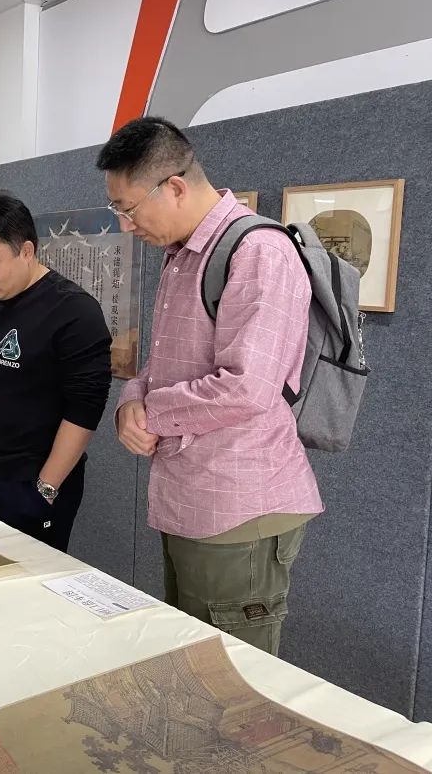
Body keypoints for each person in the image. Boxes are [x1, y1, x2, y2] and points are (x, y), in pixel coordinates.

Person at [100, 117, 322, 656]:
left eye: (129, 208)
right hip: (190, 496)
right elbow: (164, 365)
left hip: (240, 507)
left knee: (235, 672)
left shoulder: (258, 251)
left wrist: (152, 412)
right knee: (192, 656)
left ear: (174, 186)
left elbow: (248, 387)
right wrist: (131, 401)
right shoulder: (182, 254)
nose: (126, 224)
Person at [0, 192, 112, 552]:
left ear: (26, 250)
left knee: (27, 578)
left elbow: (85, 410)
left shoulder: (74, 312)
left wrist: (45, 489)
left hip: (33, 481)